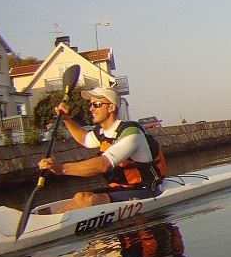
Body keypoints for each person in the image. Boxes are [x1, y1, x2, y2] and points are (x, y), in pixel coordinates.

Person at [37, 86, 167, 212]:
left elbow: (104, 164)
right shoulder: (102, 132)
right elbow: (84, 139)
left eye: (97, 104)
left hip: (148, 191)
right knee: (80, 197)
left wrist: (61, 169)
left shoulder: (131, 132)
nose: (91, 108)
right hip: (123, 190)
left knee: (87, 201)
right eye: (91, 104)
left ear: (111, 107)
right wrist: (66, 119)